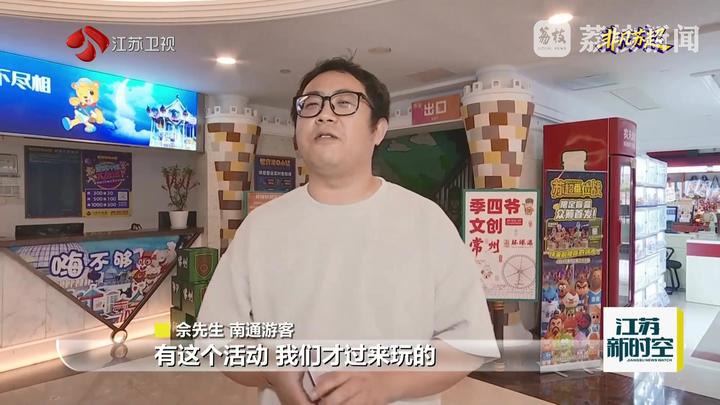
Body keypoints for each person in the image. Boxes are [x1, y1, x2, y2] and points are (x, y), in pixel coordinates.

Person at [197, 57, 499, 405]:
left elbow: (468, 342)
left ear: (378, 130)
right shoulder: (261, 226)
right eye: (311, 105)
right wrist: (272, 371)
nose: (324, 115)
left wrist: (387, 384)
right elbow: (216, 339)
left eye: (343, 103)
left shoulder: (426, 221)